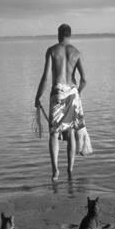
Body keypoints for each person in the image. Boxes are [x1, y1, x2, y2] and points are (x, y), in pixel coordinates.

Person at [34, 24, 87, 181]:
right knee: (70, 131)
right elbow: (84, 80)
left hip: (57, 92)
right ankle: (70, 170)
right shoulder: (76, 53)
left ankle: (55, 170)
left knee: (54, 132)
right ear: (70, 35)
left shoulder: (52, 50)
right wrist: (78, 93)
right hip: (71, 93)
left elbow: (45, 77)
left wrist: (37, 97)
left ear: (59, 35)